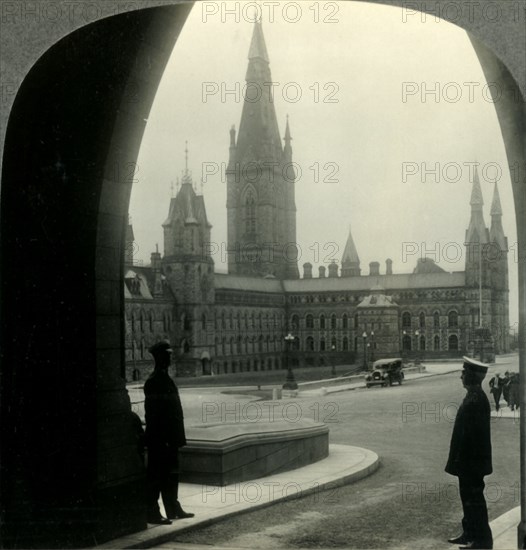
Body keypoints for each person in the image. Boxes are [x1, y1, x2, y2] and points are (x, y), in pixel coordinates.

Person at [144, 340, 194, 525]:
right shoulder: (154, 381)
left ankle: (173, 508)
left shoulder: (164, 379)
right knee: (156, 476)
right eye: (167, 355)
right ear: (159, 358)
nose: (170, 358)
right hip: (161, 439)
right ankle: (152, 512)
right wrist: (163, 438)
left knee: (172, 474)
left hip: (170, 438)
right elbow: (154, 415)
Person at [446, 357, 493, 550]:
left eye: (463, 373)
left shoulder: (475, 399)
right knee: (468, 500)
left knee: (474, 501)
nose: (461, 376)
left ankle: (482, 541)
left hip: (471, 463)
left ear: (471, 376)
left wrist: (462, 461)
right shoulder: (474, 396)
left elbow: (473, 437)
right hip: (468, 463)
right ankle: (470, 534)